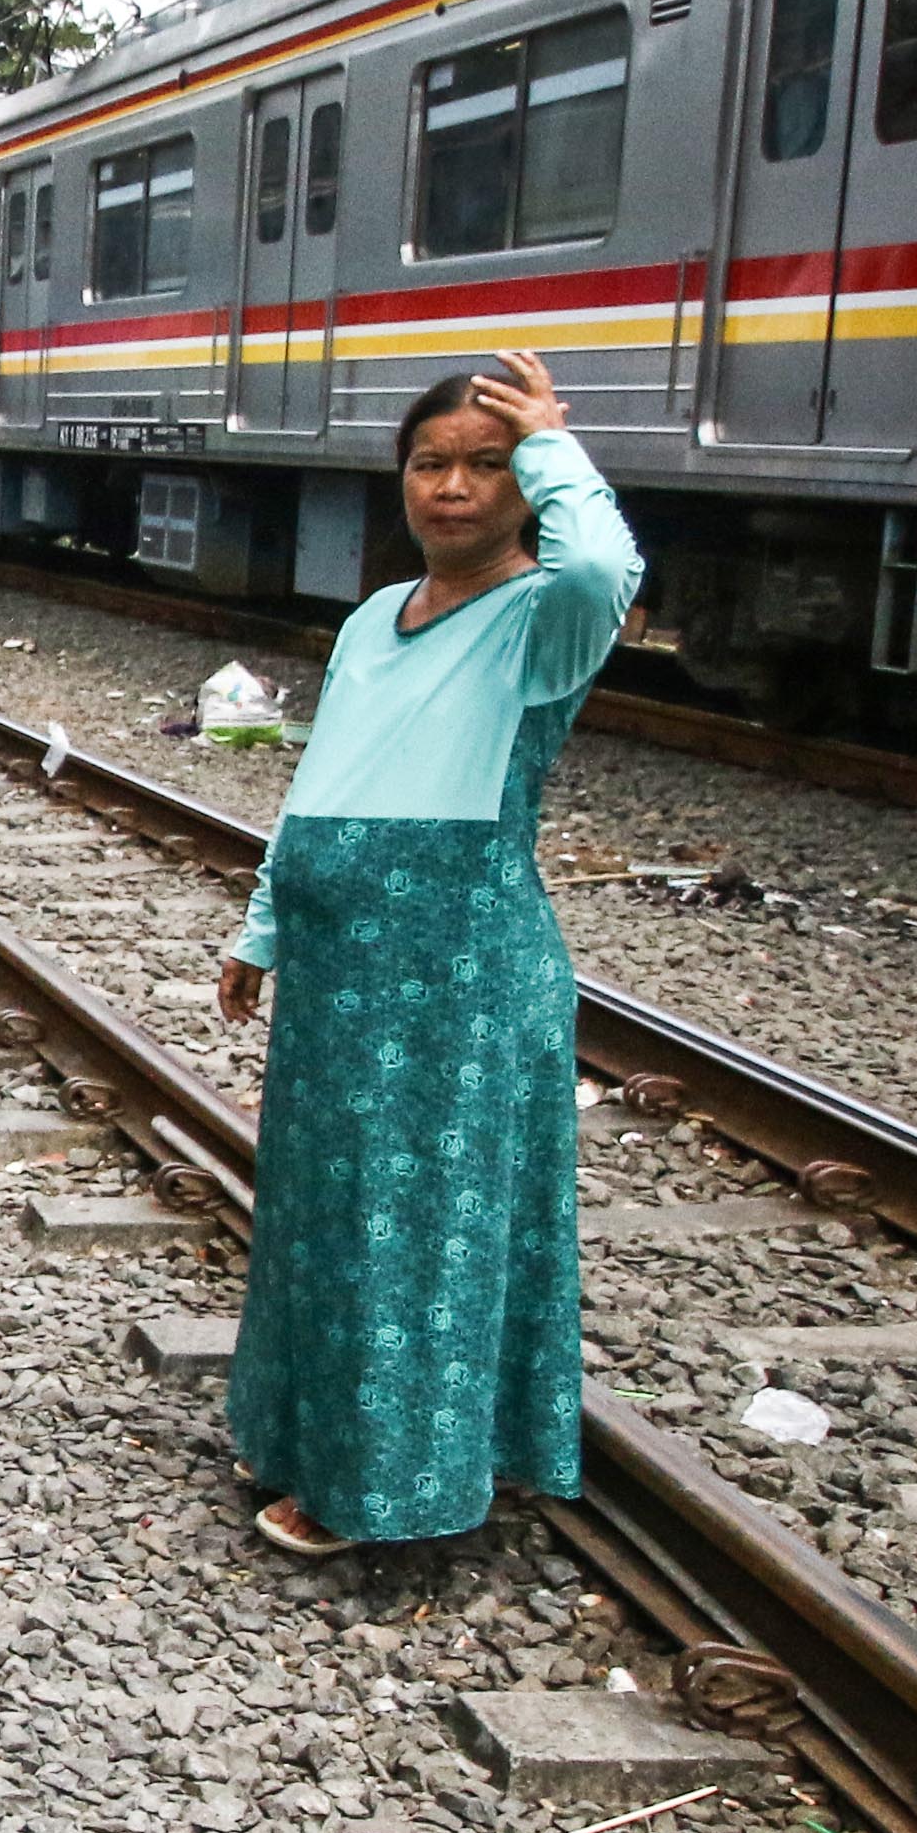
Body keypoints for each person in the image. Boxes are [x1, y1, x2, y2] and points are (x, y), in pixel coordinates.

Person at [214, 349, 639, 1557]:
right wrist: (266, 920)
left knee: (417, 1224)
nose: (452, 487)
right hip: (343, 968)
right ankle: (305, 1432)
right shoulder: (370, 618)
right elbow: (322, 782)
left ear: (526, 487)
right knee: (318, 1211)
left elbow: (606, 560)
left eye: (486, 466)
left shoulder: (543, 621)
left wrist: (552, 438)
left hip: (456, 973)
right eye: (430, 462)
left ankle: (385, 1487)